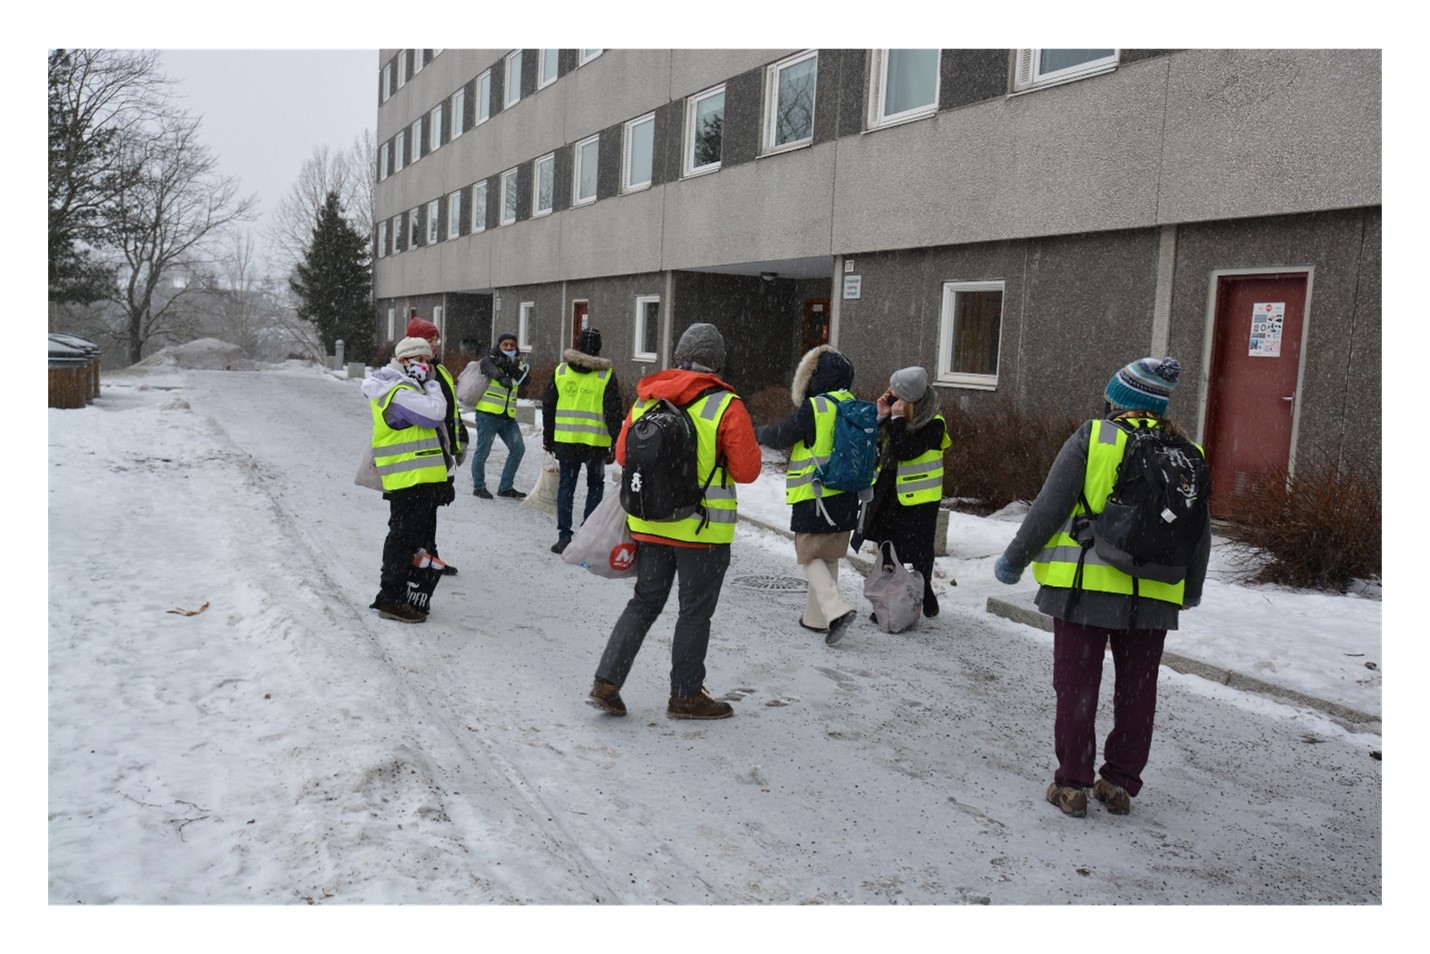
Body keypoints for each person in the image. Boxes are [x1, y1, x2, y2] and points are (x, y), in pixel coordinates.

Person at [993, 356, 1210, 818]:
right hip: (1155, 595)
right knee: (1137, 690)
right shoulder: (1187, 452)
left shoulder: (1093, 436)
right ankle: (1118, 783)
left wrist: (1014, 560)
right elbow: (1199, 531)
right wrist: (1191, 590)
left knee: (1077, 688)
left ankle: (1072, 785)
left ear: (1120, 400)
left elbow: (1050, 508)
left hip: (1083, 591)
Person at [587, 323, 762, 720]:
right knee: (694, 612)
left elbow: (621, 456)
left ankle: (606, 682)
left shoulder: (646, 399)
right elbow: (748, 470)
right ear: (717, 362)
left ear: (679, 355)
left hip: (649, 523)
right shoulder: (724, 405)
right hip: (703, 530)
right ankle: (685, 696)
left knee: (644, 602)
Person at [755, 344, 863, 645]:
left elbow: (782, 436)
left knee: (809, 554)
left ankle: (837, 609)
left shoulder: (816, 407)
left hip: (815, 494)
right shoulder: (852, 404)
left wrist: (758, 432)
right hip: (846, 493)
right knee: (828, 554)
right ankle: (817, 618)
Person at [361, 336, 456, 623]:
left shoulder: (408, 387)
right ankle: (390, 597)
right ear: (404, 361)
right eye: (420, 360)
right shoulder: (396, 391)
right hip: (407, 479)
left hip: (420, 478)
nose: (427, 366)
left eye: (429, 361)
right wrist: (432, 385)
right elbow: (436, 413)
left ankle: (401, 595)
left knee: (412, 540)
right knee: (402, 540)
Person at [851, 367, 950, 619]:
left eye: (894, 392)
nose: (888, 394)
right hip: (889, 493)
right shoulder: (898, 415)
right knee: (887, 547)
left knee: (918, 552)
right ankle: (889, 600)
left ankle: (924, 591)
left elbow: (904, 450)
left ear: (909, 398)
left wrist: (895, 421)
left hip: (919, 499)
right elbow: (874, 446)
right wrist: (881, 418)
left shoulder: (933, 423)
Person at [543, 327, 623, 554]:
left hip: (567, 441)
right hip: (595, 443)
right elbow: (613, 412)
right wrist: (617, 441)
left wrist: (548, 439)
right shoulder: (606, 374)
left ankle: (564, 537)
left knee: (566, 486)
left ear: (577, 345)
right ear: (598, 348)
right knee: (595, 486)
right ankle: (588, 535)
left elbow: (549, 407)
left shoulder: (561, 371)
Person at [406, 316, 467, 575]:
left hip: (441, 451)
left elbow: (450, 408)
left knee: (431, 508)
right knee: (416, 511)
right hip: (421, 452)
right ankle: (415, 556)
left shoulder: (439, 370)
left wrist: (459, 435)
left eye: (434, 340)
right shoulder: (413, 373)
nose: (433, 345)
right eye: (427, 340)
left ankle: (429, 553)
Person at [469, 331, 529, 500]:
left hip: (507, 416)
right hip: (487, 414)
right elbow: (489, 369)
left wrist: (516, 372)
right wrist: (502, 375)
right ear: (499, 346)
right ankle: (479, 487)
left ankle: (505, 487)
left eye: (512, 345)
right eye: (505, 345)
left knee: (518, 449)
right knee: (483, 451)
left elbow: (524, 383)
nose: (509, 347)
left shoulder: (519, 364)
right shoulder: (491, 358)